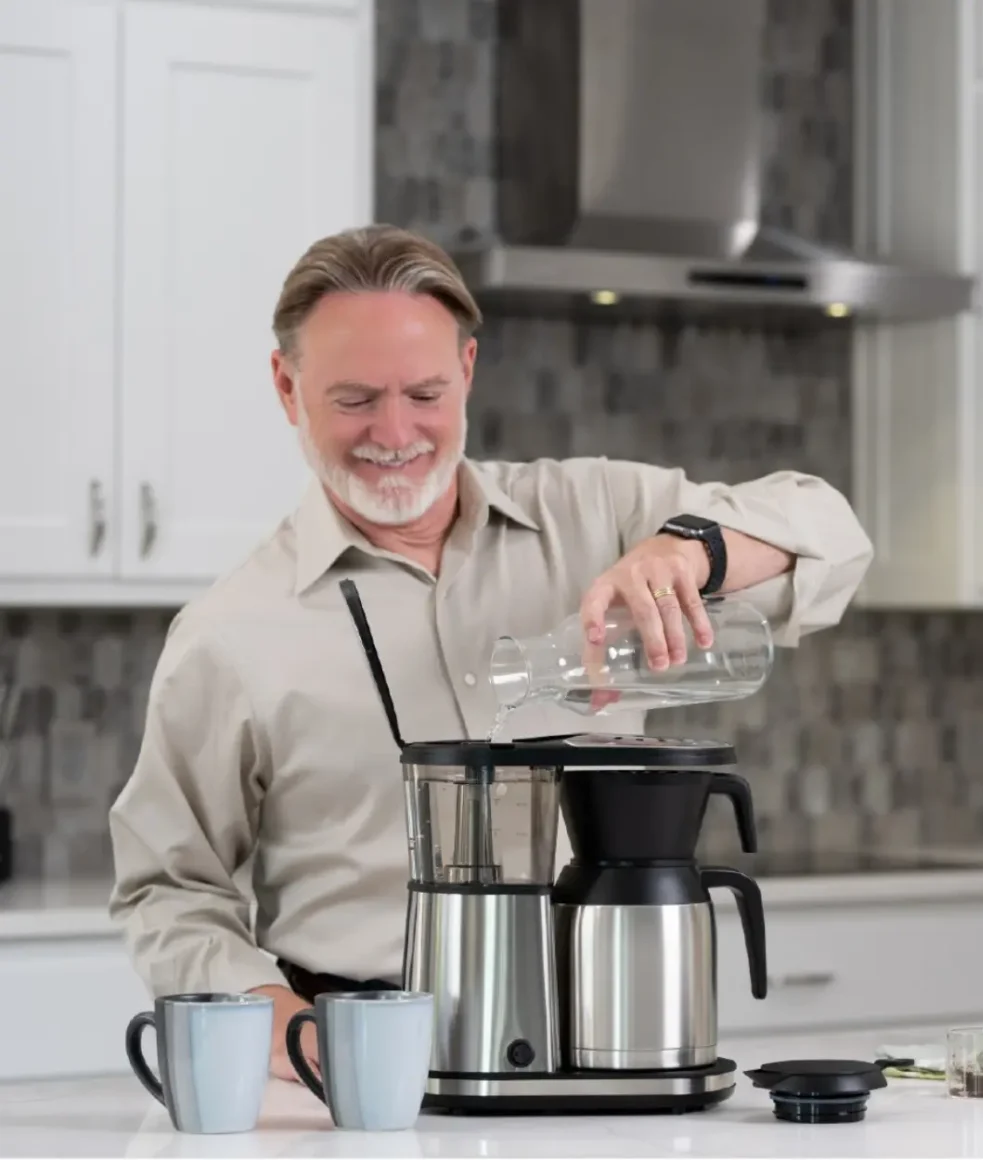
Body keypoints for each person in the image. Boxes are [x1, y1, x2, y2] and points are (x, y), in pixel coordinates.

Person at [108, 224, 873, 1082]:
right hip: (363, 1067)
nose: (395, 432)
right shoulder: (229, 632)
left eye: (426, 393)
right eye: (355, 399)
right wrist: (301, 1041)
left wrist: (689, 552)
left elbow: (832, 533)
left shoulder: (598, 514)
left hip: (611, 1040)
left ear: (468, 370)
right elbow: (168, 891)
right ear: (287, 387)